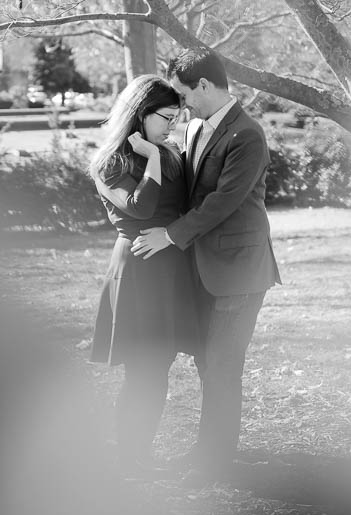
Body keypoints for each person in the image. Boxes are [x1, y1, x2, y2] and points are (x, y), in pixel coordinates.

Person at [132, 49, 281, 486]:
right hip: (204, 268)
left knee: (221, 366)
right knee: (207, 364)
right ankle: (210, 452)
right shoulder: (197, 127)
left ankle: (213, 463)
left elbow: (222, 202)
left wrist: (171, 235)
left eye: (182, 94)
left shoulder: (246, 135)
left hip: (238, 271)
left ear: (204, 85)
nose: (181, 106)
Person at [89, 74, 196, 477]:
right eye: (167, 117)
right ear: (140, 113)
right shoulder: (110, 162)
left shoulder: (170, 152)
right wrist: (150, 156)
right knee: (143, 369)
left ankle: (141, 454)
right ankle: (129, 458)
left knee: (159, 365)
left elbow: (182, 208)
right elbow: (139, 208)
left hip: (170, 270)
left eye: (177, 116)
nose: (172, 125)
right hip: (137, 273)